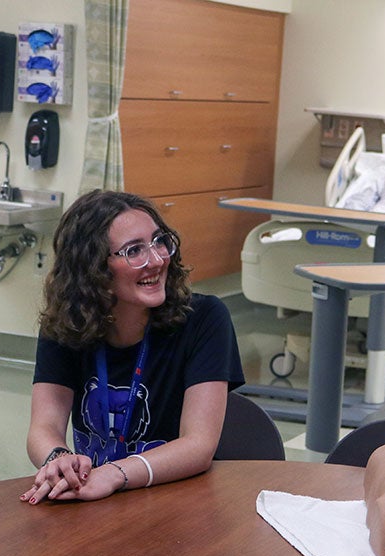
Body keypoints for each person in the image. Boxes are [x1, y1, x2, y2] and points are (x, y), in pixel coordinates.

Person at [23, 190, 244, 505]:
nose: (156, 260)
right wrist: (57, 457)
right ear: (93, 267)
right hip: (97, 501)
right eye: (134, 251)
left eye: (158, 242)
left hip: (179, 500)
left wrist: (113, 474)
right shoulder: (66, 323)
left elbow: (199, 445)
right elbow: (44, 425)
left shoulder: (205, 319)